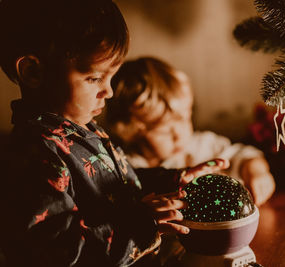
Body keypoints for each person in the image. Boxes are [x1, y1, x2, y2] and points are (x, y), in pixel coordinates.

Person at [0, 1, 229, 266]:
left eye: (111, 78)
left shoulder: (81, 130)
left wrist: (174, 181)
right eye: (94, 78)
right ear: (33, 72)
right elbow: (57, 252)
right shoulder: (33, 155)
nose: (108, 91)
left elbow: (116, 190)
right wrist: (143, 226)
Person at [105, 57, 275, 206]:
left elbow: (244, 154)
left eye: (184, 119)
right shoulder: (127, 166)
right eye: (165, 130)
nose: (179, 134)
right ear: (133, 131)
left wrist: (256, 171)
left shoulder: (202, 145)